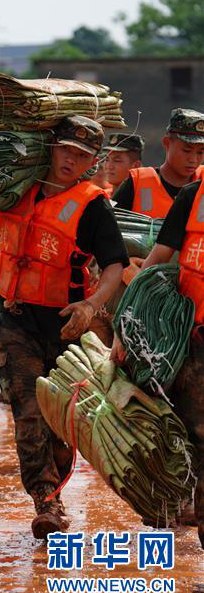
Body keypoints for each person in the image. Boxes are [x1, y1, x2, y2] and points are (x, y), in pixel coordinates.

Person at [0, 116, 129, 539]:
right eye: (67, 149)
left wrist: (91, 306)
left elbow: (114, 266)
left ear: (91, 161)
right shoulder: (16, 190)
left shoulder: (92, 205)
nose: (72, 159)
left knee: (61, 420)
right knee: (28, 412)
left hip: (67, 326)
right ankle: (46, 499)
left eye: (82, 155)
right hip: (16, 319)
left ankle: (55, 483)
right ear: (51, 146)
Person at [114, 118, 204, 548]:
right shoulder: (193, 197)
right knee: (197, 437)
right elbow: (156, 261)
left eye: (200, 151)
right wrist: (122, 329)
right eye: (189, 148)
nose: (194, 158)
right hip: (192, 338)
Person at [111, 108, 204, 217]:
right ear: (167, 143)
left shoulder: (202, 182)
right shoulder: (136, 183)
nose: (193, 159)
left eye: (200, 152)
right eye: (186, 151)